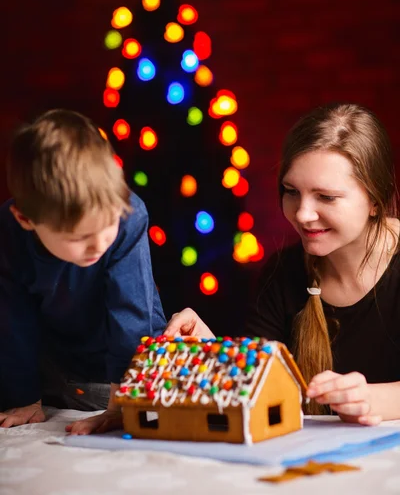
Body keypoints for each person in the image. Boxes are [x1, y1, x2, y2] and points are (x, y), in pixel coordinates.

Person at [165, 102, 400, 425]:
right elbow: (257, 389)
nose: (302, 214)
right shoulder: (283, 272)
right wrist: (211, 352)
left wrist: (373, 399)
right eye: (291, 191)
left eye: (326, 197)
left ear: (375, 200)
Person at [0, 109, 166, 435]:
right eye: (78, 238)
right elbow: (11, 317)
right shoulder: (8, 230)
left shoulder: (129, 217)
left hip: (121, 370)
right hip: (51, 368)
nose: (99, 244)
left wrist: (122, 404)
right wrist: (24, 397)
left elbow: (131, 312)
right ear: (26, 220)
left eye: (107, 226)